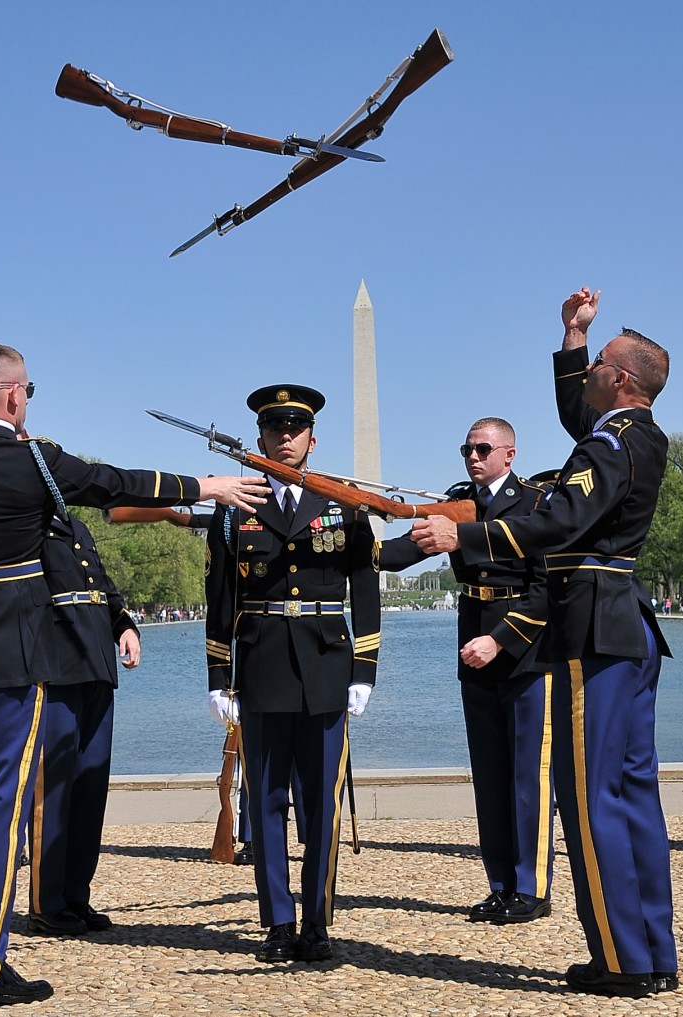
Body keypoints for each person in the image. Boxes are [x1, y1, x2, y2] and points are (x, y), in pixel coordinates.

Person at [0, 343, 266, 1009]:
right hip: (4, 654)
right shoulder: (36, 461)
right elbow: (114, 483)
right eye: (27, 388)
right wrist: (208, 486)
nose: (28, 398)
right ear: (12, 396)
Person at [413, 287, 677, 998]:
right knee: (633, 795)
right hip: (622, 621)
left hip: (593, 624)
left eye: (597, 366)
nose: (589, 375)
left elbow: (558, 519)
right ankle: (652, 947)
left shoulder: (612, 442)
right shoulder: (630, 434)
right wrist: (572, 336)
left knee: (592, 801)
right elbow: (579, 421)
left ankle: (624, 960)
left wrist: (460, 532)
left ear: (620, 380)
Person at [205, 384, 381, 964]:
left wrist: (365, 668)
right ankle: (279, 922)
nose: (285, 437)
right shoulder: (237, 506)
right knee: (266, 801)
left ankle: (319, 923)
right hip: (260, 666)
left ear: (311, 437)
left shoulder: (342, 502)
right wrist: (218, 674)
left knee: (321, 805)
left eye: (295, 427)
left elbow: (364, 587)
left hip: (327, 665)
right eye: (275, 427)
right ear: (259, 437)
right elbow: (220, 596)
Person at [379, 417, 554, 924]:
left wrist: (500, 640)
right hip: (471, 644)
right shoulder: (459, 501)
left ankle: (534, 888)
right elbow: (401, 554)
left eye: (483, 449)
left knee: (528, 777)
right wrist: (347, 533)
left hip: (523, 651)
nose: (473, 458)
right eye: (467, 449)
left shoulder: (539, 505)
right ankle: (501, 885)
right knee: (491, 777)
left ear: (509, 454)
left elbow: (547, 591)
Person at [25, 512, 140, 936]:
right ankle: (46, 901)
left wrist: (123, 624)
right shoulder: (23, 523)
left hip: (95, 665)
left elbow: (101, 587)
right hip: (55, 667)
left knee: (90, 792)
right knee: (52, 791)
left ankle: (76, 895)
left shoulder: (75, 526)